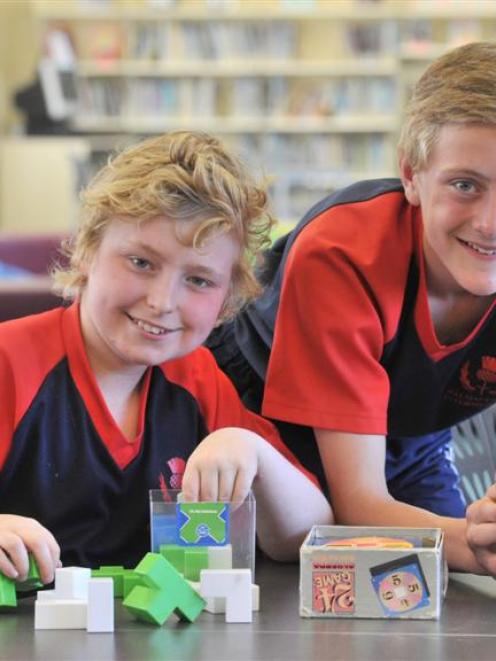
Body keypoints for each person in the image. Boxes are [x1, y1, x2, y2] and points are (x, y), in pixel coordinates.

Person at [207, 41, 496, 577]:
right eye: (464, 185)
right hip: (265, 417)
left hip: (408, 425)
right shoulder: (344, 253)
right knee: (303, 574)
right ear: (411, 174)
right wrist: (477, 547)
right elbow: (355, 510)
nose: (489, 223)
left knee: (445, 591)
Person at [0, 131, 332, 585]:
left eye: (198, 281)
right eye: (140, 262)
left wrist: (253, 450)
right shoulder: (10, 363)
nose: (161, 301)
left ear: (228, 299)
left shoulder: (198, 380)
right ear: (87, 250)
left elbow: (306, 536)